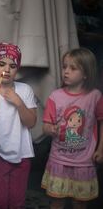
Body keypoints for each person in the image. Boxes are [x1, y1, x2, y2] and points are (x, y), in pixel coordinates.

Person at [41, 48, 103, 209]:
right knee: (57, 201)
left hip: (84, 161)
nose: (66, 72)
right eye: (64, 67)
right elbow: (46, 126)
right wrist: (49, 129)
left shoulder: (95, 96)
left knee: (80, 202)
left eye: (73, 68)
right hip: (58, 160)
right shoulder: (55, 96)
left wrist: (101, 149)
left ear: (86, 74)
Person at [0, 43, 37, 208]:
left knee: (17, 203)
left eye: (12, 66)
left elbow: (31, 122)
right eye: (1, 64)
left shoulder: (25, 90)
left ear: (17, 69)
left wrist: (18, 102)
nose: (7, 69)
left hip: (23, 155)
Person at [73, 0, 103, 88]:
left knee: (92, 79)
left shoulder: (100, 13)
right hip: (77, 49)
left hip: (95, 53)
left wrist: (89, 35)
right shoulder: (75, 8)